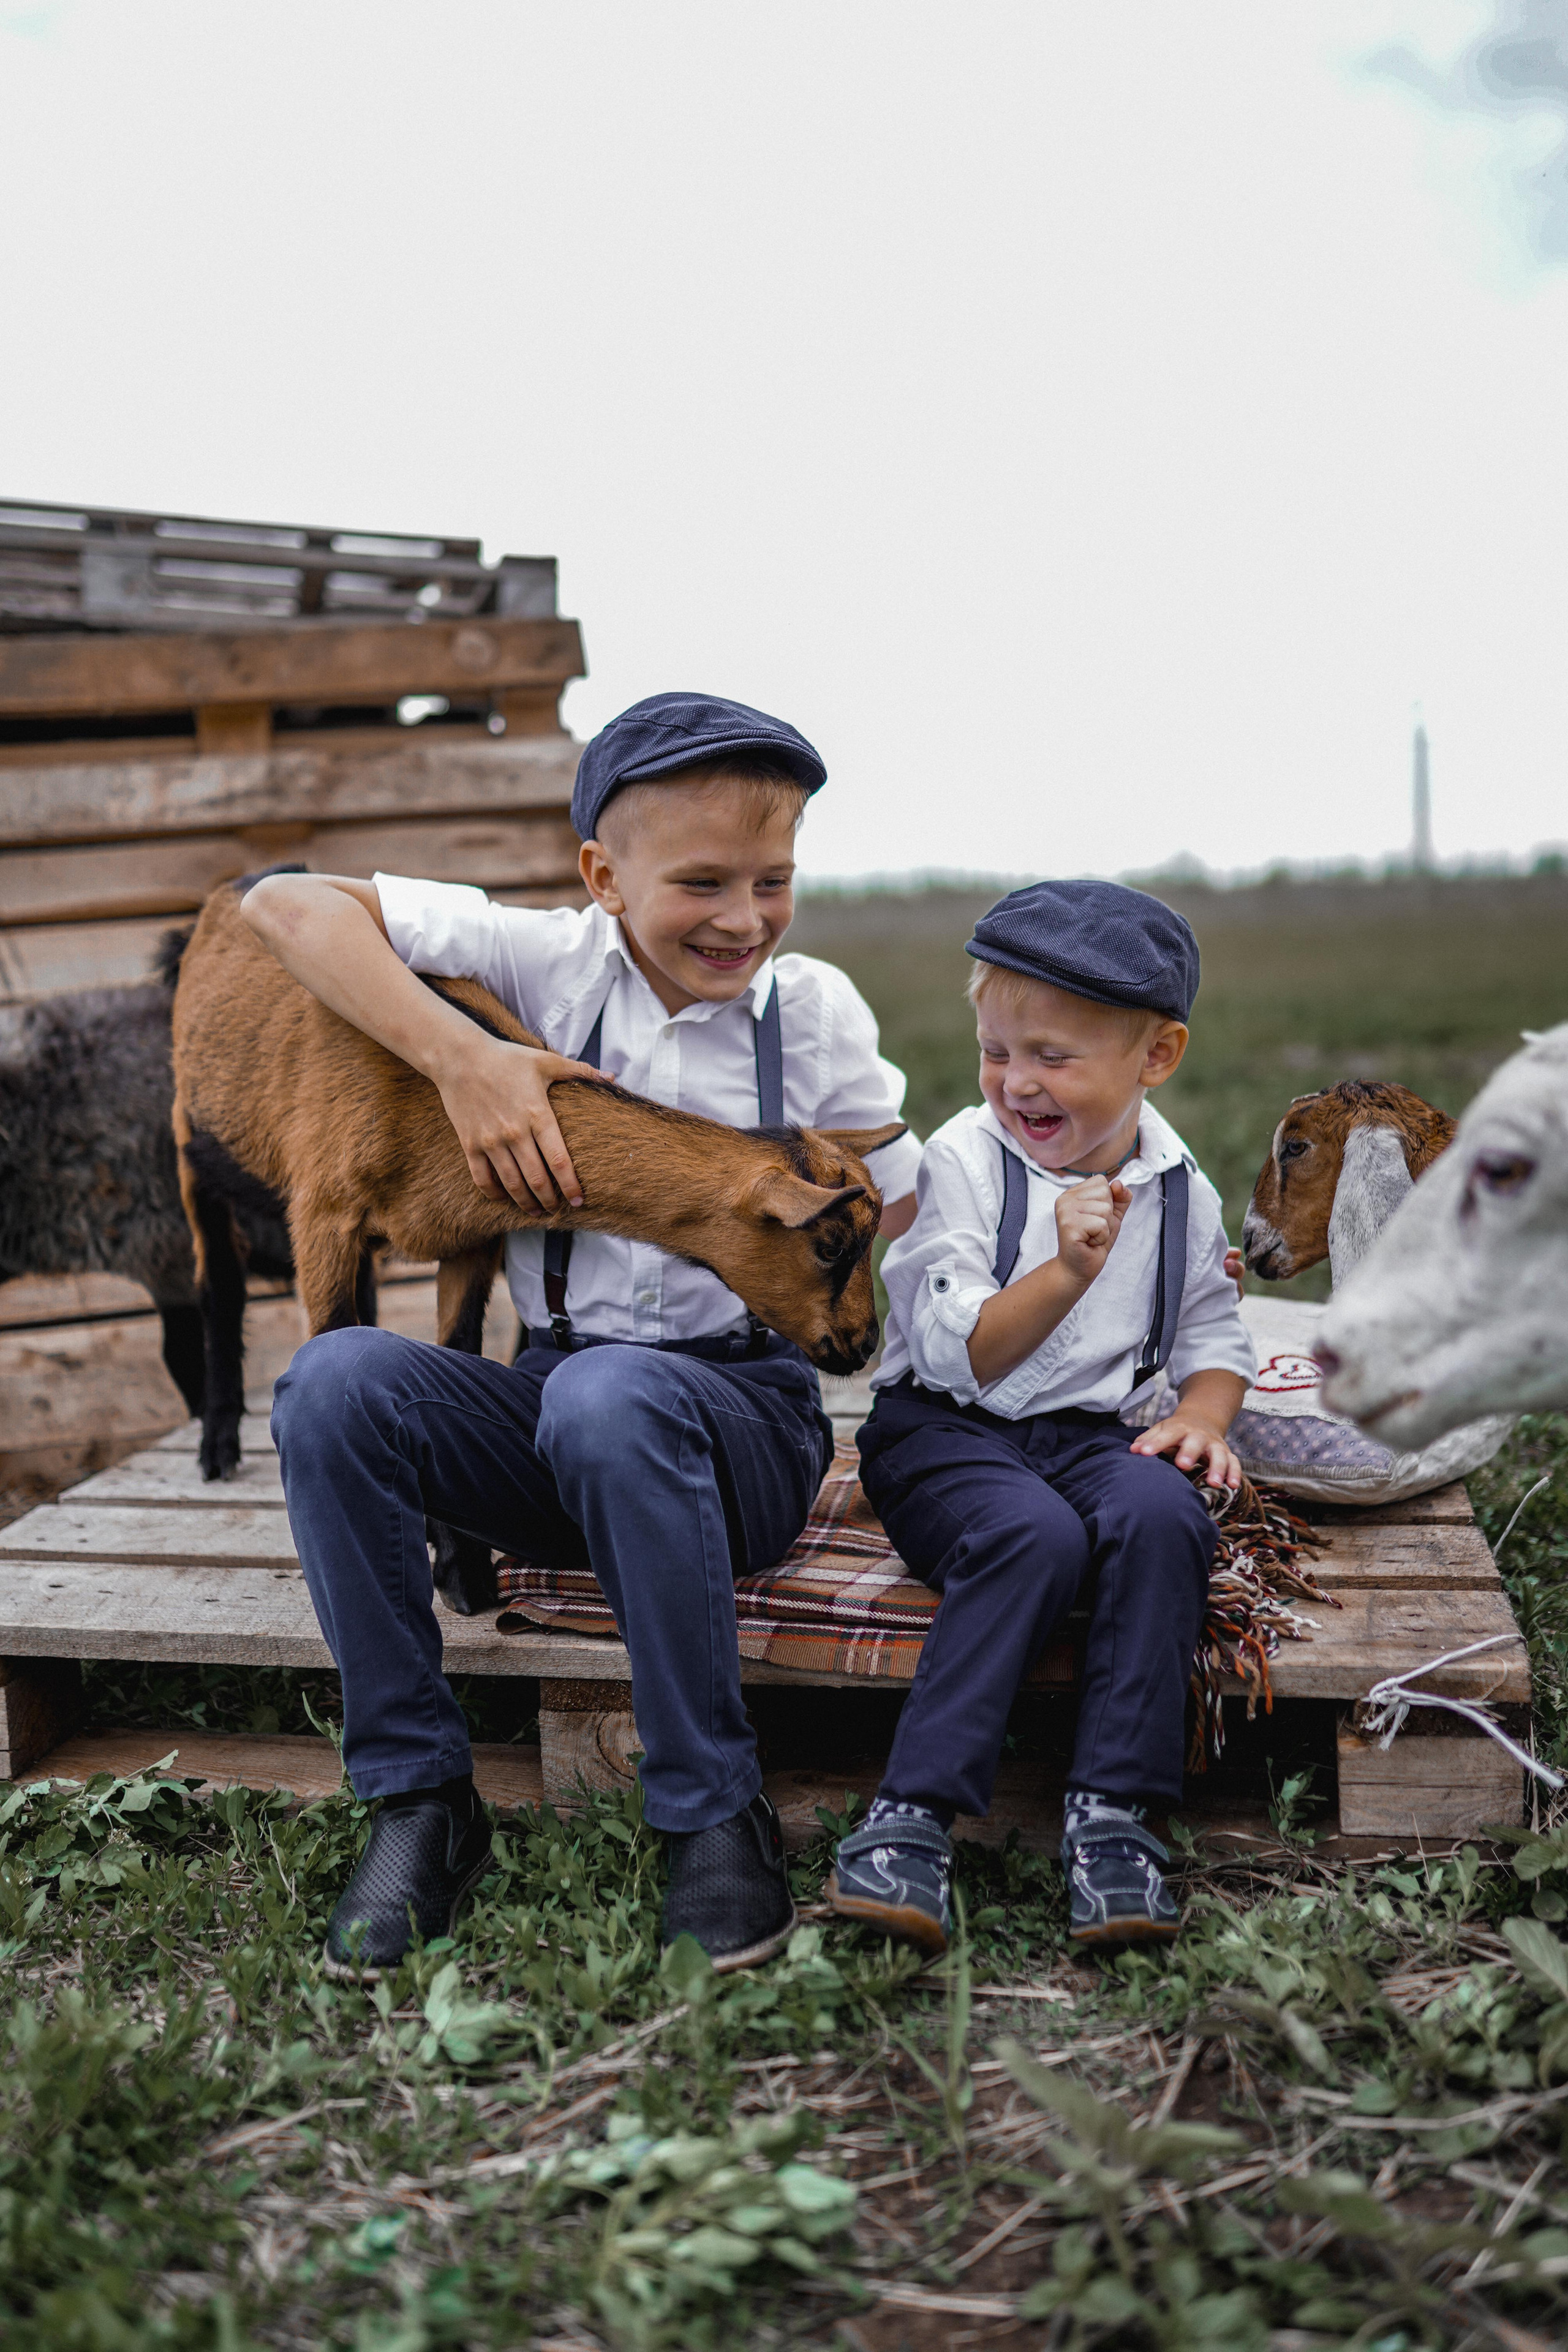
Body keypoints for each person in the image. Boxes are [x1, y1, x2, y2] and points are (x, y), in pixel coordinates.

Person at [247, 693, 922, 1978]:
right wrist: (464, 1059)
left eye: (772, 880)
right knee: (335, 1383)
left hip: (741, 1428)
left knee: (615, 1395)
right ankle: (417, 1801)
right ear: (603, 879)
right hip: (545, 1410)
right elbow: (283, 904)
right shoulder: (542, 968)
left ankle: (711, 1809)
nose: (742, 918)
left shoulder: (812, 1015)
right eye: (701, 881)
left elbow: (909, 1200)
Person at [826, 880, 1254, 1953]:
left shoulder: (1181, 1187)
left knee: (1164, 1517)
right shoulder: (964, 1164)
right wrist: (1066, 1270)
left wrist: (1204, 1416)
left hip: (1094, 1437)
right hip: (944, 1434)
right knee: (1032, 1536)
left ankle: (1113, 1813)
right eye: (995, 1051)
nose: (1017, 1082)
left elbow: (1213, 1336)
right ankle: (912, 1815)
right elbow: (963, 1350)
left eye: (1053, 1057)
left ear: (1156, 1058)